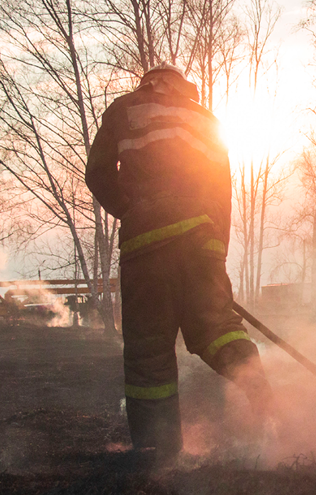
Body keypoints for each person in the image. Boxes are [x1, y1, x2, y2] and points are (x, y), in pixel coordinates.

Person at [85, 63, 275, 461]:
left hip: (147, 247)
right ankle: (257, 385)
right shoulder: (207, 121)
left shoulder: (126, 108)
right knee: (217, 327)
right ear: (183, 87)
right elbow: (221, 193)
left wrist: (130, 212)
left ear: (148, 83)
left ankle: (159, 449)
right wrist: (214, 252)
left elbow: (97, 172)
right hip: (202, 242)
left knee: (149, 350)